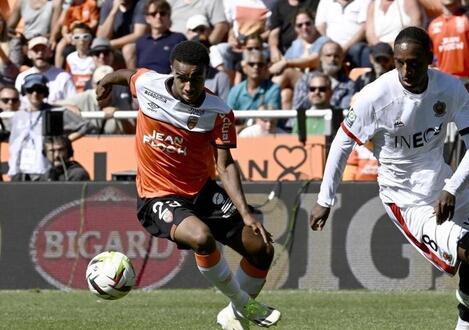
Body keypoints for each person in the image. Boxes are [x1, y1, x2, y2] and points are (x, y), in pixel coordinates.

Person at [308, 27, 469, 330]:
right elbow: (341, 143)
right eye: (399, 62)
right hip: (406, 199)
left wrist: (452, 188)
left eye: (413, 62)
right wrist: (325, 199)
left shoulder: (450, 88)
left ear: (430, 58)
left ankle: (467, 324)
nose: (406, 70)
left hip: (443, 183)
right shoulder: (375, 96)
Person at [95, 40, 281, 329]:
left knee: (262, 249)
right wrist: (106, 80)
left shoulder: (218, 111)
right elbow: (127, 75)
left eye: (196, 78)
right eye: (182, 78)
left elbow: (225, 164)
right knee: (202, 238)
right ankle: (245, 303)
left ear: (206, 73)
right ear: (172, 72)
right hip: (157, 195)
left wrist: (246, 213)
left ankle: (233, 315)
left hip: (201, 192)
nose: (189, 86)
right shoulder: (149, 85)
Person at [9, 73, 92, 181]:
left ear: (45, 92)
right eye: (30, 90)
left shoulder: (54, 112)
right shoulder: (18, 116)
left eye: (39, 90)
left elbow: (86, 125)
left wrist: (65, 140)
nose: (35, 94)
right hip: (21, 170)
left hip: (45, 170)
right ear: (25, 92)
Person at [293, 41, 355, 111]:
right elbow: (298, 106)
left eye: (336, 56)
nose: (332, 59)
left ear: (342, 58)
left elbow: (343, 111)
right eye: (328, 55)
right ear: (320, 57)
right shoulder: (306, 79)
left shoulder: (349, 85)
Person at [15, 36, 77, 105]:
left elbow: (73, 103)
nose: (40, 53)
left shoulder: (63, 77)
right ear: (29, 54)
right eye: (36, 50)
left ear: (50, 52)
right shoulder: (22, 77)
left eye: (43, 49)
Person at [135, 0, 186, 74]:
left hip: (166, 81)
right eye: (153, 14)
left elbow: (183, 67)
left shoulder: (178, 38)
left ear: (168, 17)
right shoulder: (141, 41)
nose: (158, 16)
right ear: (147, 18)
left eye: (162, 13)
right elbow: (137, 68)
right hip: (142, 81)